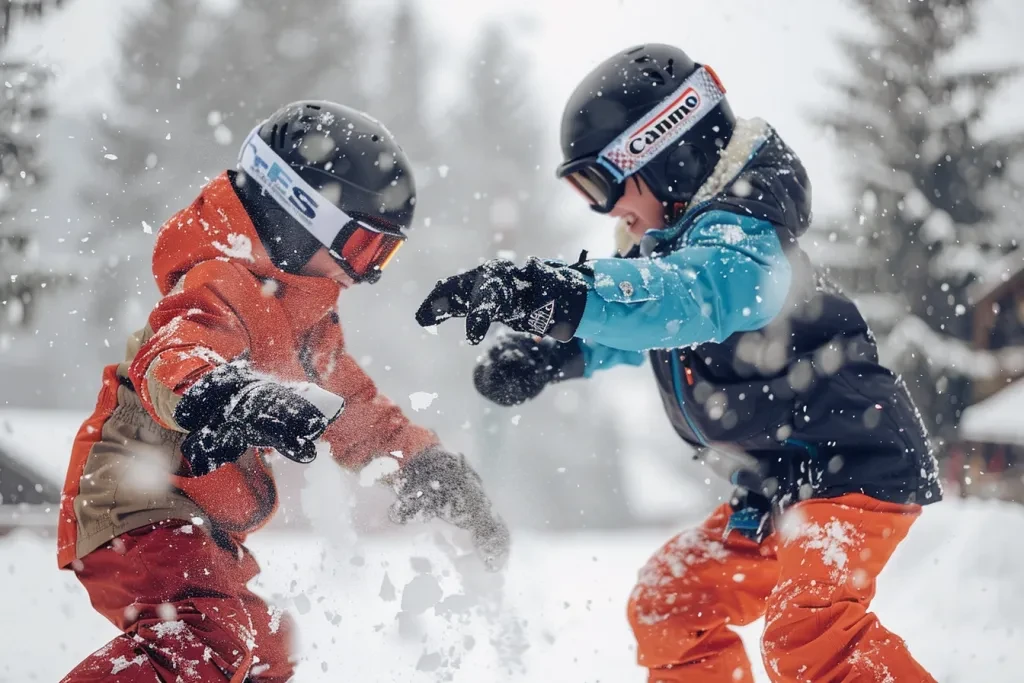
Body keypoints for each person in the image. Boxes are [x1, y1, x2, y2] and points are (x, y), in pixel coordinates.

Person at [416, 45, 940, 683]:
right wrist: (552, 353)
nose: (607, 211)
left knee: (810, 631)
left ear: (668, 156)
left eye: (602, 185)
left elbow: (686, 298)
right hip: (782, 487)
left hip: (851, 468)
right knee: (669, 602)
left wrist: (555, 294)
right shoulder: (676, 252)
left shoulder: (743, 243)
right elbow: (643, 325)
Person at [59, 100, 509, 683]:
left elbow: (353, 411)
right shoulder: (221, 281)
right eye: (364, 249)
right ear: (297, 215)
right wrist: (227, 395)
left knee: (267, 651)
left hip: (193, 517)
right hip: (137, 501)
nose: (367, 274)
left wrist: (425, 464)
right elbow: (171, 357)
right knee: (208, 642)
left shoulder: (303, 316)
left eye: (386, 257)